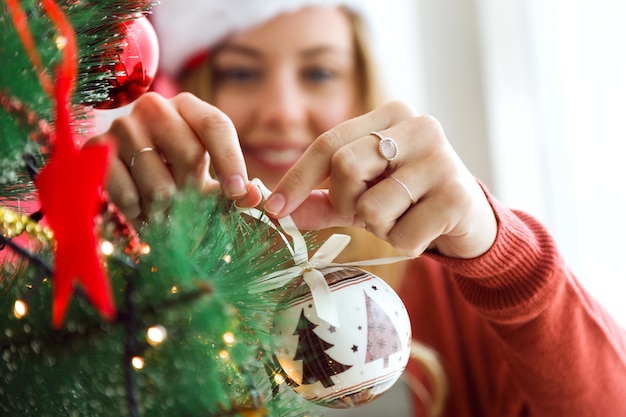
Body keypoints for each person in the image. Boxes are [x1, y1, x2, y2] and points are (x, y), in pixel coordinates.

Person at [88, 1, 626, 416]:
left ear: (361, 89)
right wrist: (105, 245)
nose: (282, 111)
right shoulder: (141, 258)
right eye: (243, 73)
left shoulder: (445, 284)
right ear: (197, 87)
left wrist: (506, 259)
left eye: (319, 73)